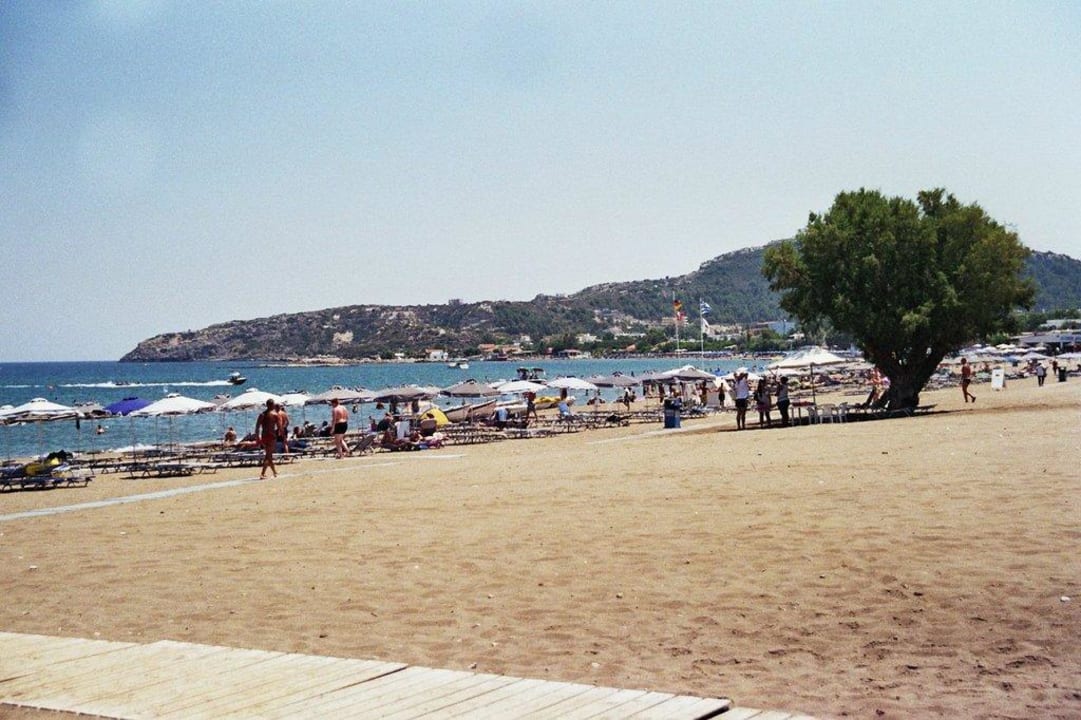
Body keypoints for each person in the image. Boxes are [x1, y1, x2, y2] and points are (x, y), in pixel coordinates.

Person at [254, 399, 280, 479]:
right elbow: (279, 427)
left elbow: (257, 427)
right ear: (272, 405)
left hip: (264, 436)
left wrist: (257, 437)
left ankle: (272, 472)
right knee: (268, 455)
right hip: (271, 436)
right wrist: (281, 435)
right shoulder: (275, 415)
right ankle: (265, 473)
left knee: (268, 454)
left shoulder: (262, 415)